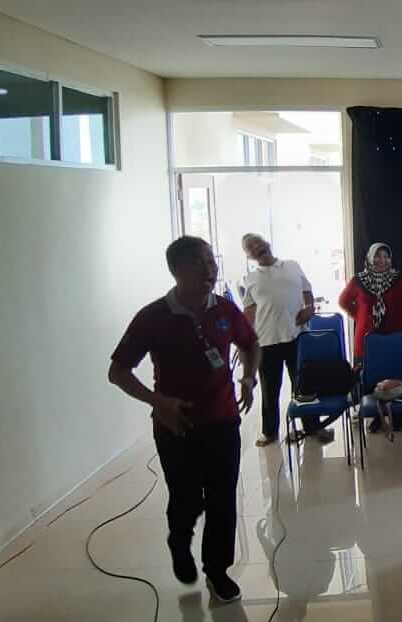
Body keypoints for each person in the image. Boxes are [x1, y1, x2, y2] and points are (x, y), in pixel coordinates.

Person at [107, 236, 261, 603]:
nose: (210, 269)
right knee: (186, 497)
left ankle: (217, 571)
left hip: (223, 420)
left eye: (211, 261)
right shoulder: (153, 317)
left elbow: (251, 343)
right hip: (176, 426)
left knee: (222, 496)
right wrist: (156, 400)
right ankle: (180, 540)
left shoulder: (225, 310)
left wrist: (249, 378)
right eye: (199, 263)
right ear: (177, 270)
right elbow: (118, 371)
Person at [239, 233, 331, 446]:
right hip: (266, 341)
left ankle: (312, 427)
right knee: (269, 390)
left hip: (297, 335)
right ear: (249, 256)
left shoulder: (292, 266)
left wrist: (310, 308)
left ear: (267, 243)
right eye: (250, 248)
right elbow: (249, 311)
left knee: (304, 386)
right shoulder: (251, 278)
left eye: (257, 243)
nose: (256, 248)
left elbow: (307, 291)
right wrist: (244, 339)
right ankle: (270, 432)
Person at [339, 242, 402, 432]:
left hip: (394, 338)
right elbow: (343, 301)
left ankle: (397, 416)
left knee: (395, 373)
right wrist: (360, 317)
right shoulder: (359, 280)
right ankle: (376, 416)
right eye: (377, 256)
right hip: (368, 339)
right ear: (369, 258)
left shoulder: (399, 279)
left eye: (386, 256)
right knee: (370, 376)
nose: (382, 260)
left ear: (390, 259)